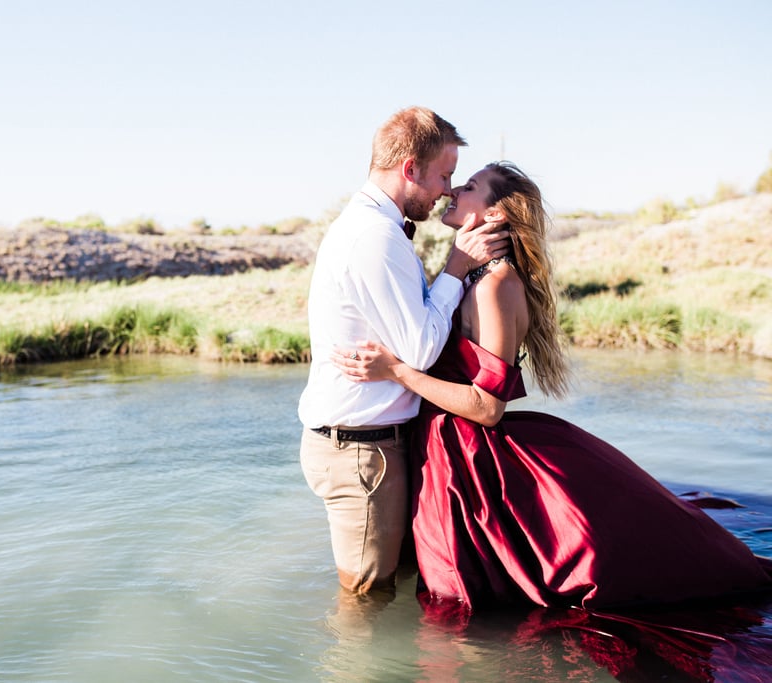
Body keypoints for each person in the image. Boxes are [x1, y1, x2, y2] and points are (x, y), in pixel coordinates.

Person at [332, 161, 772, 610]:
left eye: (469, 187)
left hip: (465, 461)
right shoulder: (474, 277)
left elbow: (488, 408)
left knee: (459, 599)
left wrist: (397, 372)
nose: (452, 192)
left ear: (494, 214)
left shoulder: (495, 286)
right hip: (442, 450)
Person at [297, 106, 509, 595]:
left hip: (368, 445)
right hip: (362, 451)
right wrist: (455, 268)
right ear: (409, 169)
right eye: (444, 175)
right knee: (366, 600)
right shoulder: (374, 236)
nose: (447, 190)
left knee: (387, 587)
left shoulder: (376, 229)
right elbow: (418, 349)